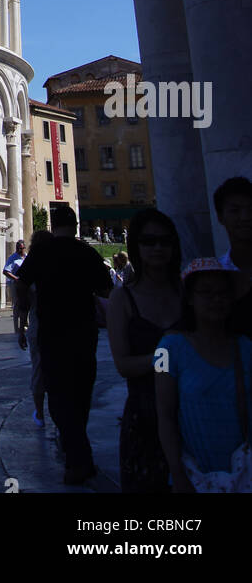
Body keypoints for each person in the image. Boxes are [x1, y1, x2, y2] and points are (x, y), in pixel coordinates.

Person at [17, 204, 112, 485]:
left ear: (53, 225)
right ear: (75, 225)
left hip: (52, 332)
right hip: (83, 332)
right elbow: (107, 289)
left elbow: (21, 282)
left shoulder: (41, 252)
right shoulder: (87, 252)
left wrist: (26, 306)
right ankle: (78, 457)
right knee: (82, 393)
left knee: (58, 397)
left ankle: (77, 460)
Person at [155, 258, 252, 492]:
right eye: (206, 292)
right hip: (193, 475)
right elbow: (164, 415)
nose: (216, 299)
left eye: (222, 292)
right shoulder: (165, 349)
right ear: (189, 298)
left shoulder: (247, 346)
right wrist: (177, 473)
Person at [107, 208, 183, 494]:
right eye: (148, 241)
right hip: (144, 414)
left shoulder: (187, 291)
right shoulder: (123, 298)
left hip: (189, 411)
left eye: (165, 241)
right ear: (136, 246)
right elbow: (123, 364)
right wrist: (169, 356)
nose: (157, 247)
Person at [17, 229, 53, 427]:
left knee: (38, 369)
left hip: (39, 323)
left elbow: (24, 303)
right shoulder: (59, 264)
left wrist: (21, 330)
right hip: (61, 324)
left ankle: (39, 414)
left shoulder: (31, 265)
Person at [214, 175, 252, 337]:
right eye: (235, 211)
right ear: (220, 217)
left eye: (251, 209)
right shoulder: (215, 274)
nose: (245, 217)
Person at [3, 240, 27, 332]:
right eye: (19, 249)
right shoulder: (12, 258)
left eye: (23, 248)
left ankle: (25, 324)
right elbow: (5, 271)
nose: (21, 250)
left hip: (25, 283)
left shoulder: (26, 256)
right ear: (17, 249)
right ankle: (16, 328)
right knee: (17, 304)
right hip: (15, 283)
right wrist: (16, 279)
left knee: (26, 304)